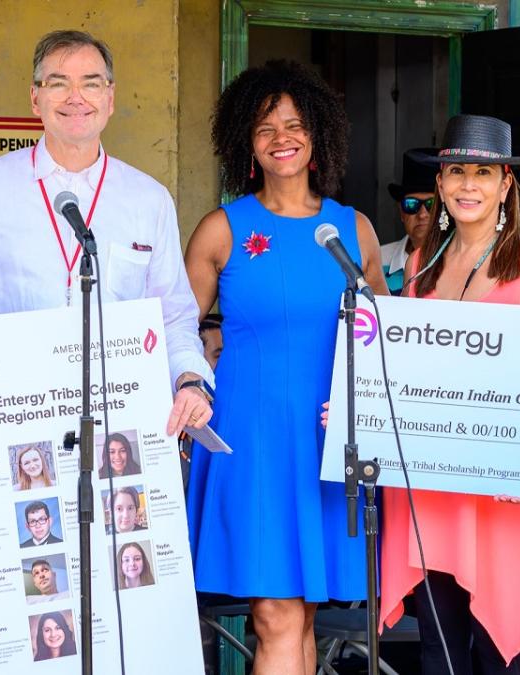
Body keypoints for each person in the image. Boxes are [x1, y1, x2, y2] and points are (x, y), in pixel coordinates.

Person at [183, 59, 388, 674]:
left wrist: (361, 404)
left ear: (317, 134)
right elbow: (173, 332)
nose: (281, 138)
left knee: (303, 618)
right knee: (275, 615)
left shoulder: (354, 230)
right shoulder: (222, 229)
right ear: (245, 141)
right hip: (253, 442)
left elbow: (383, 339)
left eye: (295, 124)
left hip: (330, 442)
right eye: (265, 127)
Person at [0, 29, 213, 438]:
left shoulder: (149, 200)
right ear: (34, 97)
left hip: (117, 425)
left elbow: (174, 318)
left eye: (91, 84)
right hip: (6, 420)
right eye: (58, 83)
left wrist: (189, 381)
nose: (75, 97)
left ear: (110, 99)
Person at [377, 115, 520, 675]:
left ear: (506, 184)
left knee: (500, 649)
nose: (467, 184)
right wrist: (359, 410)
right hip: (432, 480)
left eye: (482, 172)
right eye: (455, 171)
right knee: (438, 649)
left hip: (502, 483)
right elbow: (405, 367)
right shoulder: (421, 264)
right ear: (439, 184)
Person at [381, 149, 437, 295]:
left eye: (431, 204)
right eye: (411, 204)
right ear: (401, 212)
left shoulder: (462, 265)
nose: (422, 214)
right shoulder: (378, 260)